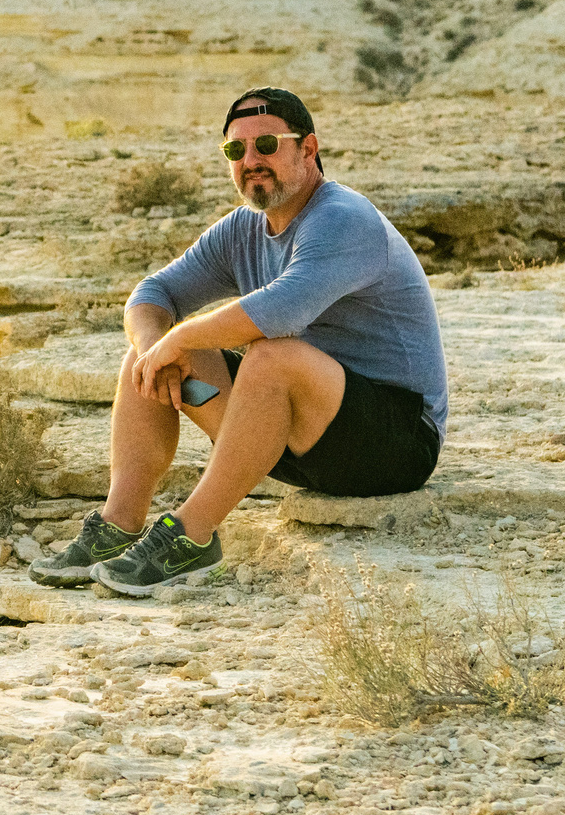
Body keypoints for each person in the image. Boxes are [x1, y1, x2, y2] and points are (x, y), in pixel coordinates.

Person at [31, 86, 448, 597]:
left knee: (270, 355)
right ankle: (118, 526)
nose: (251, 160)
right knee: (148, 351)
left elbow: (281, 312)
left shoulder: (343, 219)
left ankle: (192, 535)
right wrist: (153, 347)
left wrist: (178, 338)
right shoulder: (242, 230)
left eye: (267, 145)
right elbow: (153, 293)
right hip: (298, 439)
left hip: (395, 444)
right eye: (236, 150)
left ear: (308, 150)